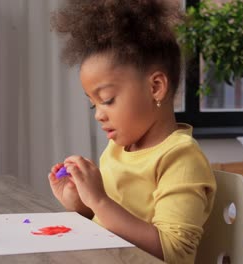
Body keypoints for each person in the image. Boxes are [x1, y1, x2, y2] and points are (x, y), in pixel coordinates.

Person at [48, 1, 217, 263]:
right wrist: (82, 203)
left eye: (107, 99)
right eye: (94, 103)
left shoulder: (181, 159)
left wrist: (100, 201)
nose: (98, 114)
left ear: (156, 87)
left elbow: (175, 252)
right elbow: (113, 223)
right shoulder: (117, 149)